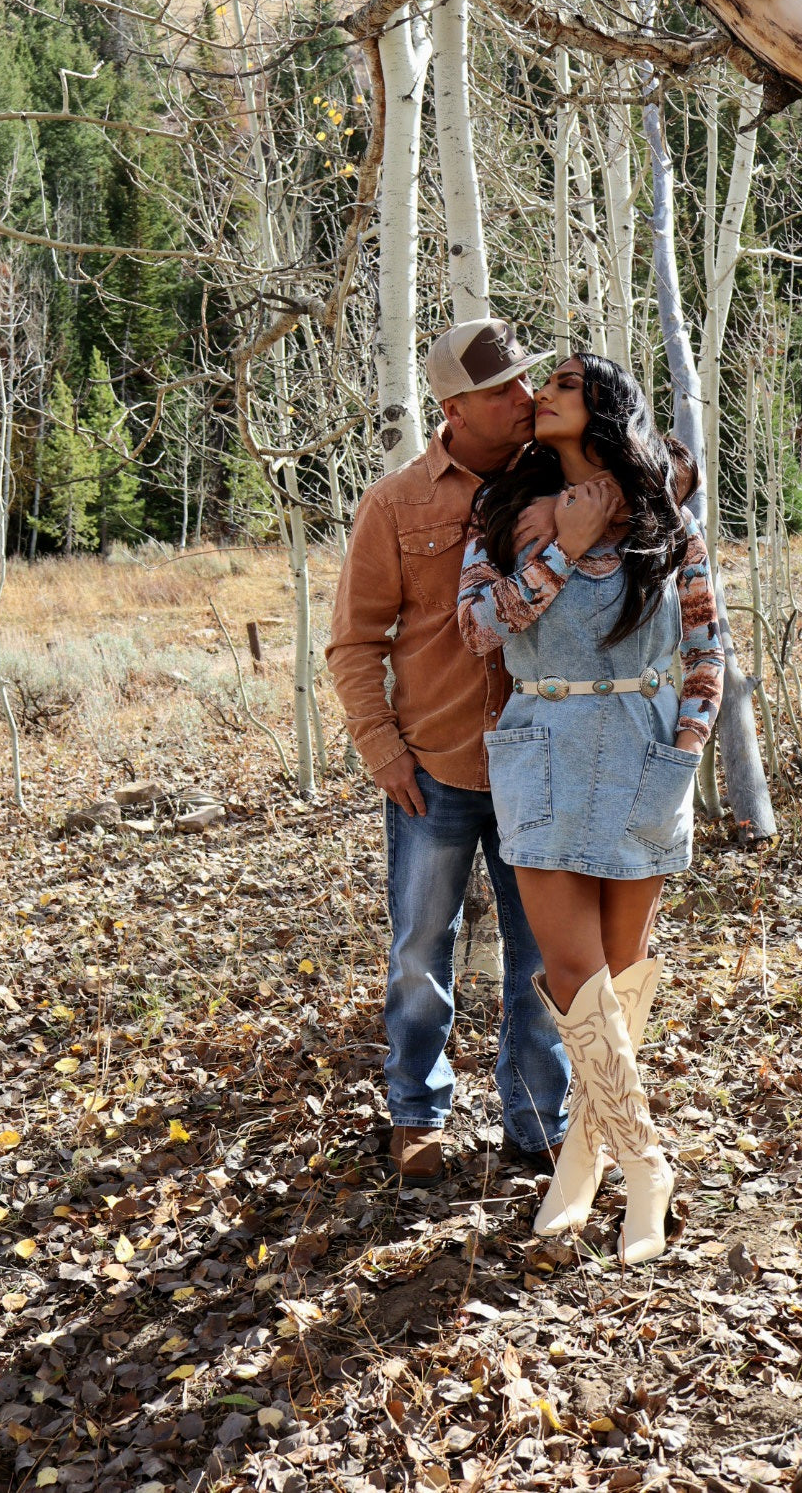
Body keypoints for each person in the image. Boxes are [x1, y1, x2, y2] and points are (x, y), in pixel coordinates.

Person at [457, 352, 725, 1262]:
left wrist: (685, 750)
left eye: (566, 384)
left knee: (622, 977)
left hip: (645, 755)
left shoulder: (666, 523)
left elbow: (708, 649)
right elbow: (479, 628)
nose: (543, 394)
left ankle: (582, 1160)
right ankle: (646, 1166)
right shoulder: (506, 514)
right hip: (541, 754)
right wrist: (561, 549)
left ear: (608, 405)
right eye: (546, 384)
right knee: (575, 975)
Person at [326, 318, 572, 1186]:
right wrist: (382, 750)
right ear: (454, 408)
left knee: (541, 957)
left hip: (541, 767)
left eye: (526, 381)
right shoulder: (396, 503)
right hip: (434, 770)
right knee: (420, 950)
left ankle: (538, 1123)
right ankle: (417, 1114)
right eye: (503, 389)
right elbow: (354, 641)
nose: (525, 398)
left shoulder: (564, 480)